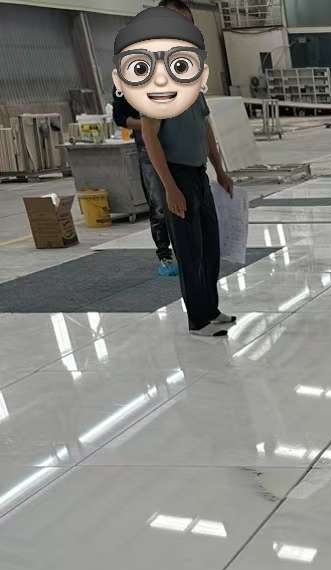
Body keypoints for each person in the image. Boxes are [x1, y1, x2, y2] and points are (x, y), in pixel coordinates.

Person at [113, 7, 235, 336]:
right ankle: (198, 319)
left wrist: (220, 170)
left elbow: (205, 128)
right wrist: (169, 187)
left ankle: (211, 309)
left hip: (198, 174)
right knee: (189, 251)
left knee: (209, 247)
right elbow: (150, 137)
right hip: (177, 175)